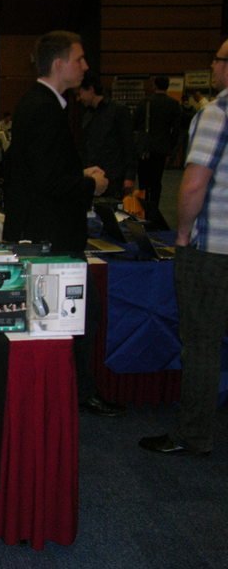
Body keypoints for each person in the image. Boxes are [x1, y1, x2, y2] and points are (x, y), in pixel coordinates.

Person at [2, 31, 121, 418]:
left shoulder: (43, 104)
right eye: (79, 59)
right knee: (77, 314)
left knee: (77, 314)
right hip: (50, 237)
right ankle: (77, 393)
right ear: (59, 64)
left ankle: (74, 392)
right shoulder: (43, 108)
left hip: (48, 232)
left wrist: (79, 174)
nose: (85, 66)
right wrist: (91, 184)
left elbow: (45, 169)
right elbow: (48, 181)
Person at [139, 40, 228, 456]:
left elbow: (194, 183)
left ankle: (194, 435)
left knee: (202, 343)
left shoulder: (217, 113)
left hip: (212, 250)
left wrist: (181, 235)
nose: (212, 64)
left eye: (218, 59)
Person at [77, 72, 137, 198]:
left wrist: (129, 176)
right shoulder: (87, 115)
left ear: (91, 89)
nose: (79, 97)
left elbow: (128, 145)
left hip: (114, 177)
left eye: (80, 92)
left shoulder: (118, 111)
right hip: (93, 176)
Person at [134, 76, 181, 211]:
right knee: (156, 180)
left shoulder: (144, 103)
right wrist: (171, 147)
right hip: (161, 148)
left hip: (144, 147)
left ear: (154, 85)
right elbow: (176, 129)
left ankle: (142, 208)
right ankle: (154, 208)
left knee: (143, 180)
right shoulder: (173, 104)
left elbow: (135, 123)